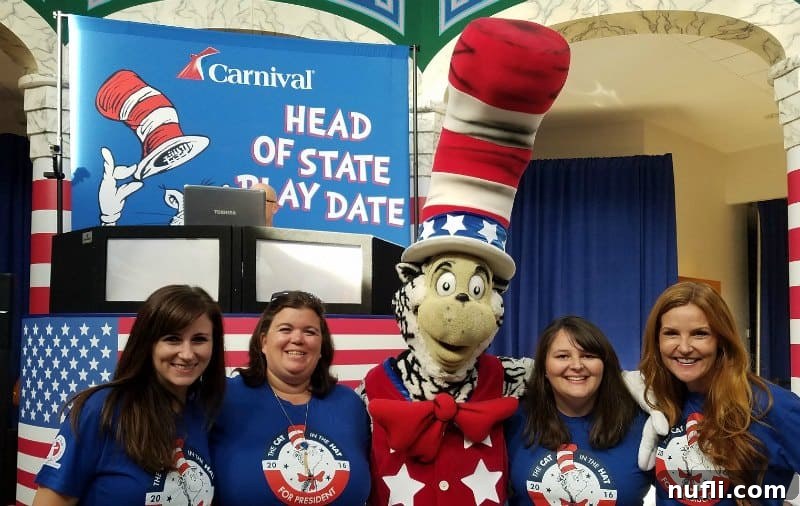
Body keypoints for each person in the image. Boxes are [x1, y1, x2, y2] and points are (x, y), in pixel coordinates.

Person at [33, 285, 227, 506]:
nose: (187, 353)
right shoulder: (101, 410)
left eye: (199, 339)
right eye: (172, 339)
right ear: (148, 343)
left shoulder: (205, 413)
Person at [640, 281, 800, 504]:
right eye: (671, 333)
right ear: (657, 341)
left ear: (721, 340)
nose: (684, 347)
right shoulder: (657, 401)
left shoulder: (772, 406)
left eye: (700, 334)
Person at [211, 290, 370, 505]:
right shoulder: (222, 398)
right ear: (264, 342)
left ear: (322, 346)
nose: (297, 339)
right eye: (285, 329)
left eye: (310, 332)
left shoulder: (351, 405)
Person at [506, 315, 652, 505]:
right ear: (543, 368)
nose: (576, 365)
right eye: (562, 356)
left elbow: (688, 489)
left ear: (605, 366)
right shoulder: (513, 420)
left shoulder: (645, 426)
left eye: (588, 356)